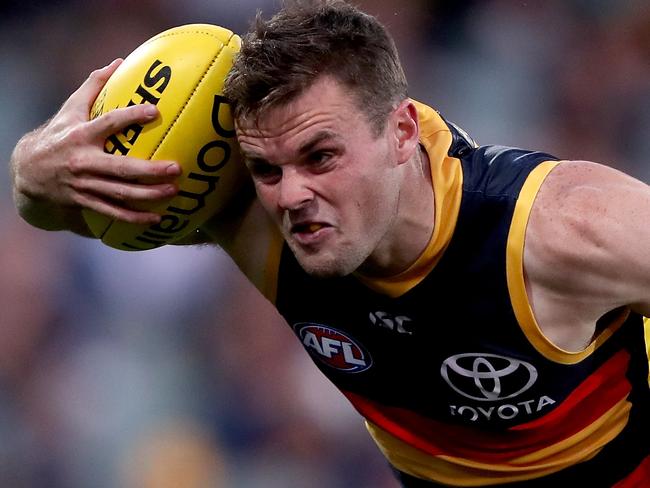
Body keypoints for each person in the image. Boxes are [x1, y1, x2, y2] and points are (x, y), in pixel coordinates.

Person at [9, 0, 650, 486]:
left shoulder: (561, 229)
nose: (290, 195)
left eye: (321, 156)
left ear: (402, 132)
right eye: (267, 169)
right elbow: (66, 211)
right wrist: (31, 168)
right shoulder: (251, 215)